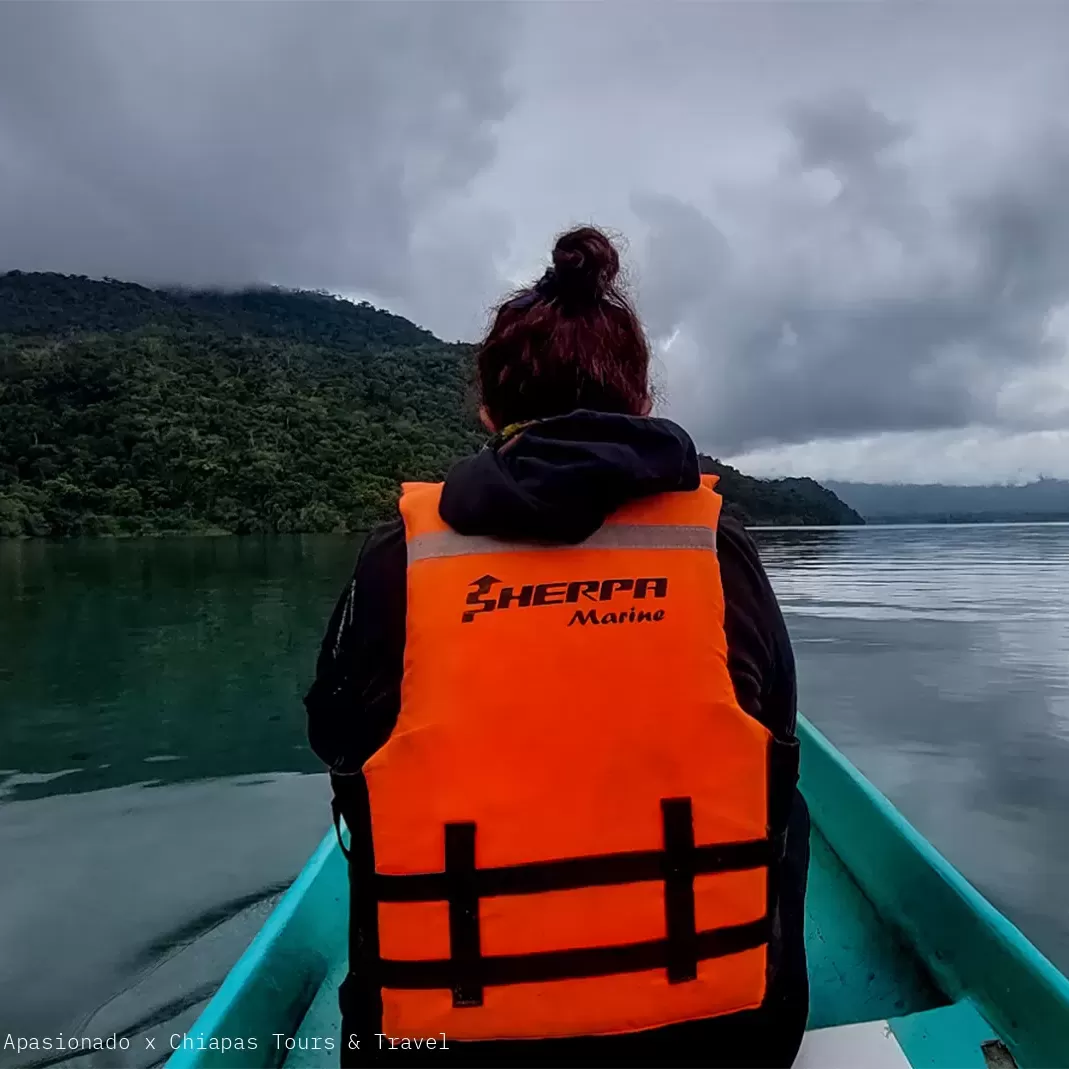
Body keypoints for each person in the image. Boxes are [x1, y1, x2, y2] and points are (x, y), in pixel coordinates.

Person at [305, 225, 810, 1068]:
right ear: (642, 401)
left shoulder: (399, 558)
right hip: (720, 1041)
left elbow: (337, 740)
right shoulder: (718, 549)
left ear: (490, 411)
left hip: (442, 1044)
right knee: (782, 799)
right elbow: (779, 737)